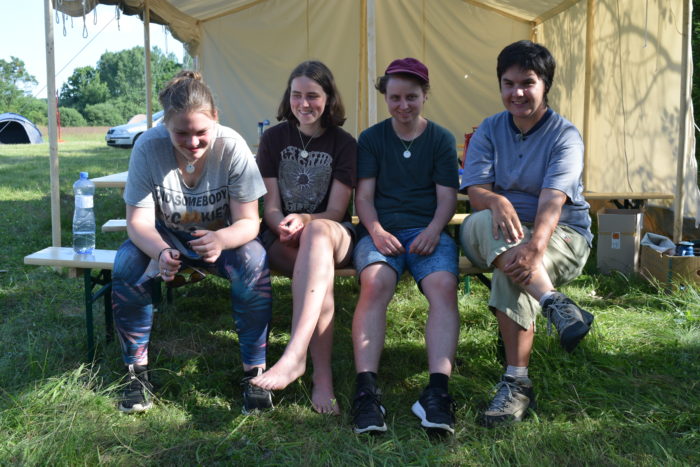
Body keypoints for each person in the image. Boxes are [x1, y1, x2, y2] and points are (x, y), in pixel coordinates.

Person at [112, 70, 273, 415]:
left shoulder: (232, 146)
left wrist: (221, 239)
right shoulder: (148, 147)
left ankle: (255, 374)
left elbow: (249, 222)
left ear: (215, 117)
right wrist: (160, 251)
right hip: (164, 238)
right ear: (165, 125)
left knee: (255, 260)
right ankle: (136, 373)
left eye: (201, 132)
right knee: (127, 263)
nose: (193, 143)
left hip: (221, 239)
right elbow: (137, 222)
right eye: (181, 134)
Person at [459, 40, 594, 427]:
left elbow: (553, 199)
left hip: (561, 233)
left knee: (511, 268)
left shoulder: (565, 135)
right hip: (496, 229)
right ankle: (553, 303)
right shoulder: (489, 129)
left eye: (527, 83)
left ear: (545, 85)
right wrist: (496, 200)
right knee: (480, 222)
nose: (517, 93)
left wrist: (535, 246)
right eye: (509, 83)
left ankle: (516, 383)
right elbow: (475, 190)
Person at [350, 58, 460, 434]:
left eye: (411, 97)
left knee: (443, 286)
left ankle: (437, 391)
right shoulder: (371, 139)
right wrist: (377, 231)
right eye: (395, 97)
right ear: (385, 97)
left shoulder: (441, 139)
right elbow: (364, 197)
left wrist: (434, 229)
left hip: (428, 230)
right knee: (375, 282)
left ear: (425, 96)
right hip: (382, 231)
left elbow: (447, 197)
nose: (403, 105)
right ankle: (366, 391)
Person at [250, 60, 357, 415]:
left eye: (313, 95)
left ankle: (295, 356)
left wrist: (307, 219)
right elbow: (270, 206)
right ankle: (321, 379)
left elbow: (337, 211)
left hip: (332, 234)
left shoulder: (344, 143)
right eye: (297, 95)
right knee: (318, 279)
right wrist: (281, 224)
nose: (304, 103)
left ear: (328, 98)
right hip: (283, 239)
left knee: (317, 235)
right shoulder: (273, 139)